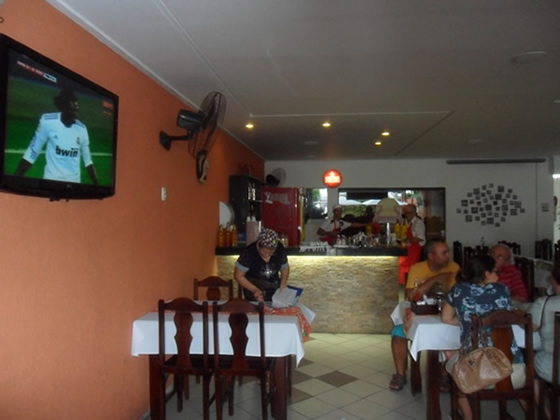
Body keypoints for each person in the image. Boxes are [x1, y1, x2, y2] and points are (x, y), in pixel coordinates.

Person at [442, 255, 525, 420]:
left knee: (454, 368)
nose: (499, 275)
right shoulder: (502, 290)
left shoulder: (459, 290)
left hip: (477, 373)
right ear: (486, 274)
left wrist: (467, 320)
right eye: (496, 272)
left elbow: (446, 318)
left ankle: (469, 417)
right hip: (513, 371)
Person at [389, 238, 460, 391]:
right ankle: (400, 374)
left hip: (445, 314)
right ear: (431, 256)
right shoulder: (418, 268)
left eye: (447, 252)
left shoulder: (454, 268)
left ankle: (444, 374)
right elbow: (411, 296)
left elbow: (457, 295)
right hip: (421, 312)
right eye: (444, 253)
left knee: (449, 334)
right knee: (398, 334)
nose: (448, 256)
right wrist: (436, 278)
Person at [15, 88, 98, 184]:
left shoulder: (82, 129)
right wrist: (16, 178)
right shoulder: (48, 122)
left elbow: (88, 161)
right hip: (51, 182)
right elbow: (33, 151)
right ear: (63, 108)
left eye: (77, 110)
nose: (75, 115)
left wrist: (96, 185)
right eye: (72, 110)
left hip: (74, 185)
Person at [234, 228, 289, 302]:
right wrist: (254, 290)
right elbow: (238, 275)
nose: (268, 256)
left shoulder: (280, 249)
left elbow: (284, 268)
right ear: (258, 245)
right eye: (265, 253)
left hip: (274, 291)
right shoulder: (249, 252)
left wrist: (283, 284)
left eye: (271, 253)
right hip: (253, 292)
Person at [529, 262, 560, 390]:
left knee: (530, 357)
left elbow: (531, 327)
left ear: (554, 281)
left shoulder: (544, 303)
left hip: (553, 369)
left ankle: (539, 402)